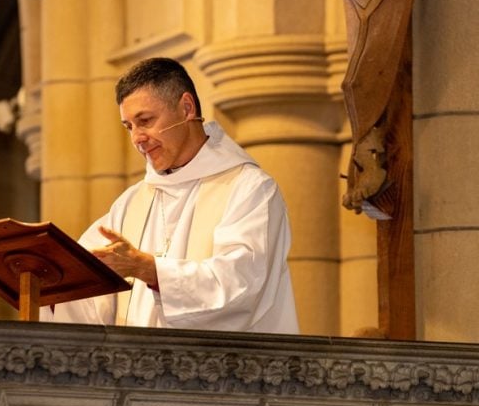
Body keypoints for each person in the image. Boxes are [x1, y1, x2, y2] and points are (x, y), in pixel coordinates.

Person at [40, 57, 299, 334]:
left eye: (145, 121)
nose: (137, 138)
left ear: (187, 108)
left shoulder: (249, 189)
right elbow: (85, 289)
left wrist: (149, 269)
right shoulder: (130, 204)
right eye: (129, 126)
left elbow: (241, 285)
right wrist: (47, 278)